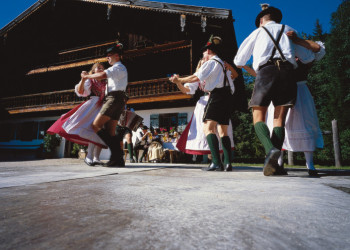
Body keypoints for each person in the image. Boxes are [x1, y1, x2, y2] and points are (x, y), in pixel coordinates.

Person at [234, 4, 309, 176]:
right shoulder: (290, 30)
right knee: (279, 120)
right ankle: (276, 165)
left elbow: (238, 60)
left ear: (261, 20)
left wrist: (251, 69)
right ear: (276, 18)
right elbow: (307, 56)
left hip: (266, 72)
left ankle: (270, 150)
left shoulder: (258, 32)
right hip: (287, 74)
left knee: (258, 117)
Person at [170, 36, 235, 171]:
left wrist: (179, 79)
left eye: (204, 52)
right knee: (223, 131)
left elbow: (196, 77)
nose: (203, 55)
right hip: (227, 97)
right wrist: (180, 82)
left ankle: (216, 162)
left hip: (216, 96)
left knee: (208, 128)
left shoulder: (211, 63)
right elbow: (231, 85)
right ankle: (228, 163)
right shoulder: (223, 66)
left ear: (209, 50)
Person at [266, 33, 326, 176]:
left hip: (300, 91)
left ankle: (310, 165)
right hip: (280, 91)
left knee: (305, 124)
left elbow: (319, 49)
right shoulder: (275, 54)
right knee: (279, 125)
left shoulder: (303, 54)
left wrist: (297, 40)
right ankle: (279, 164)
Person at [47, 63, 107, 166]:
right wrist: (83, 79)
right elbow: (81, 92)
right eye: (98, 67)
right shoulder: (90, 80)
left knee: (102, 132)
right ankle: (89, 157)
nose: (101, 69)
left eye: (102, 68)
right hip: (92, 106)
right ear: (93, 71)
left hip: (103, 106)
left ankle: (96, 158)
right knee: (93, 130)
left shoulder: (106, 82)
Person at [81, 42, 128, 167]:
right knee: (111, 131)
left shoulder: (118, 67)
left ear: (117, 56)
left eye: (109, 55)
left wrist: (87, 76)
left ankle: (117, 155)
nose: (107, 58)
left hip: (113, 98)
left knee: (96, 125)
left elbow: (102, 75)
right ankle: (117, 159)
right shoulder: (119, 68)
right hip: (118, 99)